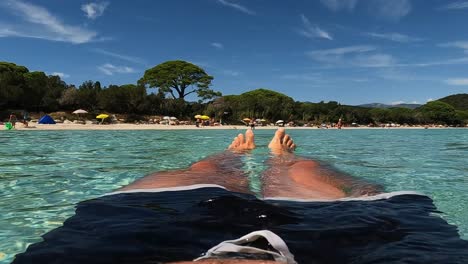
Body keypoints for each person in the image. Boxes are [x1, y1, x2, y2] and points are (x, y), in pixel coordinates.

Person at [12, 129, 468, 264]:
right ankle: (281, 162)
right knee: (315, 177)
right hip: (354, 242)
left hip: (124, 245)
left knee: (196, 175)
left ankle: (230, 158)